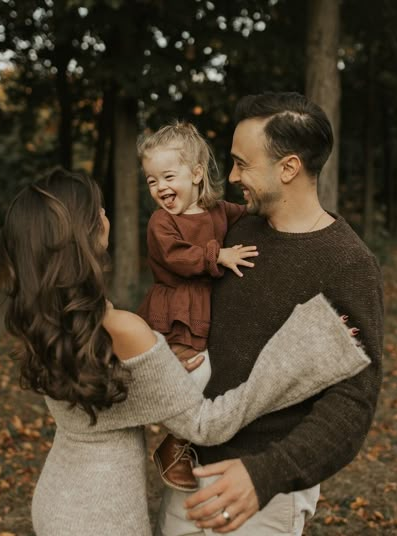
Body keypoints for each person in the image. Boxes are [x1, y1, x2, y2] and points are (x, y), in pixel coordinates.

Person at [2, 168, 370, 536]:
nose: (104, 214)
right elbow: (204, 425)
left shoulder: (46, 319)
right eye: (97, 209)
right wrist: (306, 353)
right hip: (104, 514)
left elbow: (103, 403)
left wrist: (158, 371)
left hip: (55, 500)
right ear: (83, 234)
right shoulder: (122, 328)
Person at [156, 91, 384, 536]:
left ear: (289, 168)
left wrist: (267, 474)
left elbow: (352, 402)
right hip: (190, 470)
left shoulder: (347, 263)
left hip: (262, 494)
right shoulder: (238, 230)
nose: (234, 175)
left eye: (244, 163)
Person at [137, 122, 258, 492]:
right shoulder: (162, 222)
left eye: (168, 176)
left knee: (210, 375)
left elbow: (250, 214)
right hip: (176, 310)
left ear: (196, 173)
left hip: (205, 309)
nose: (160, 188)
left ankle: (184, 442)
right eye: (151, 181)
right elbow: (177, 258)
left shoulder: (218, 211)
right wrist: (217, 255)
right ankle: (175, 444)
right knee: (196, 373)